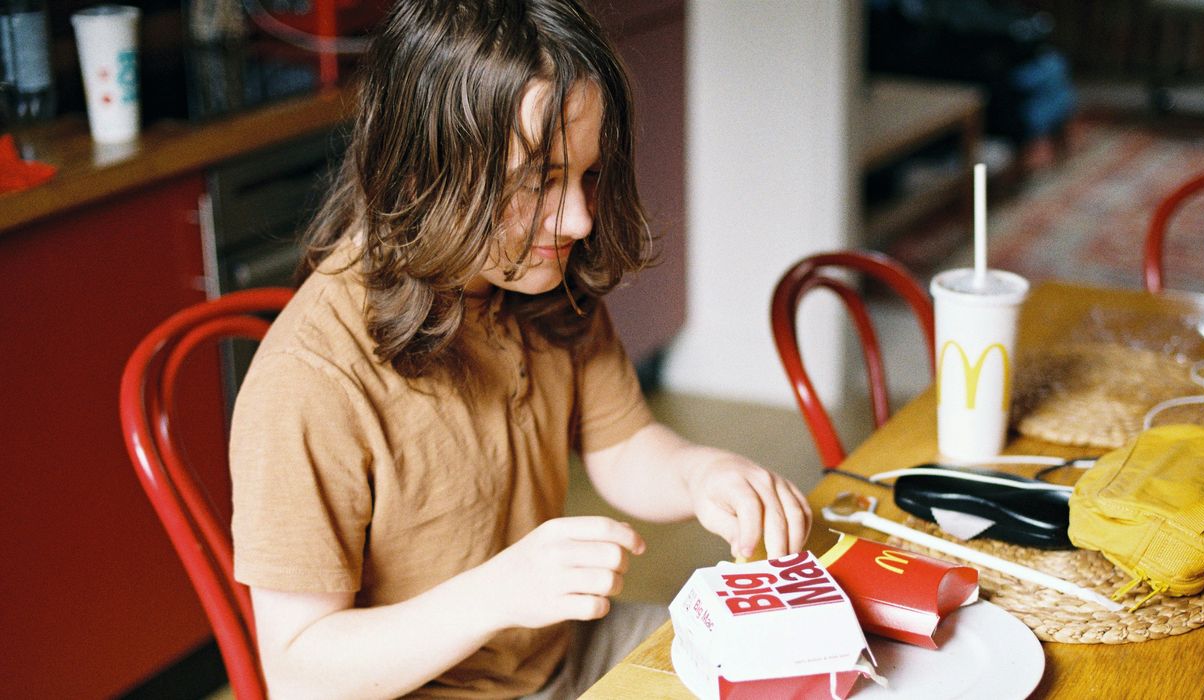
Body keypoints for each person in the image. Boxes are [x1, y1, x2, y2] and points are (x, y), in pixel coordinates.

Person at [229, 1, 811, 697]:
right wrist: (496, 594)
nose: (577, 219)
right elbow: (298, 674)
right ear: (424, 172)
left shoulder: (539, 279)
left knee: (794, 671)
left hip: (562, 656)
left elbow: (622, 448)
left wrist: (701, 474)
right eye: (537, 184)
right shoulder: (310, 378)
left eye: (588, 174)